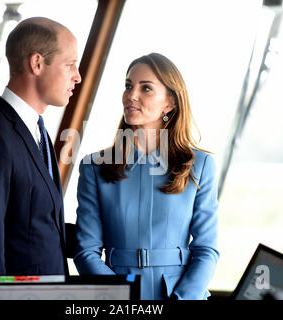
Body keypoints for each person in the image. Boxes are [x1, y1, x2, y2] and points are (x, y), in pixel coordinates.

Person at [74, 53, 219, 300]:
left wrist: (182, 299)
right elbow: (86, 252)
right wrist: (122, 297)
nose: (132, 95)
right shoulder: (94, 167)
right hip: (119, 297)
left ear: (170, 102)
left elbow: (207, 250)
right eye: (128, 86)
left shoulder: (201, 165)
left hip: (181, 295)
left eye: (146, 88)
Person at [0, 17, 81, 277]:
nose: (77, 77)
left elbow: (35, 229)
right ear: (37, 63)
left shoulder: (37, 131)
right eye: (70, 65)